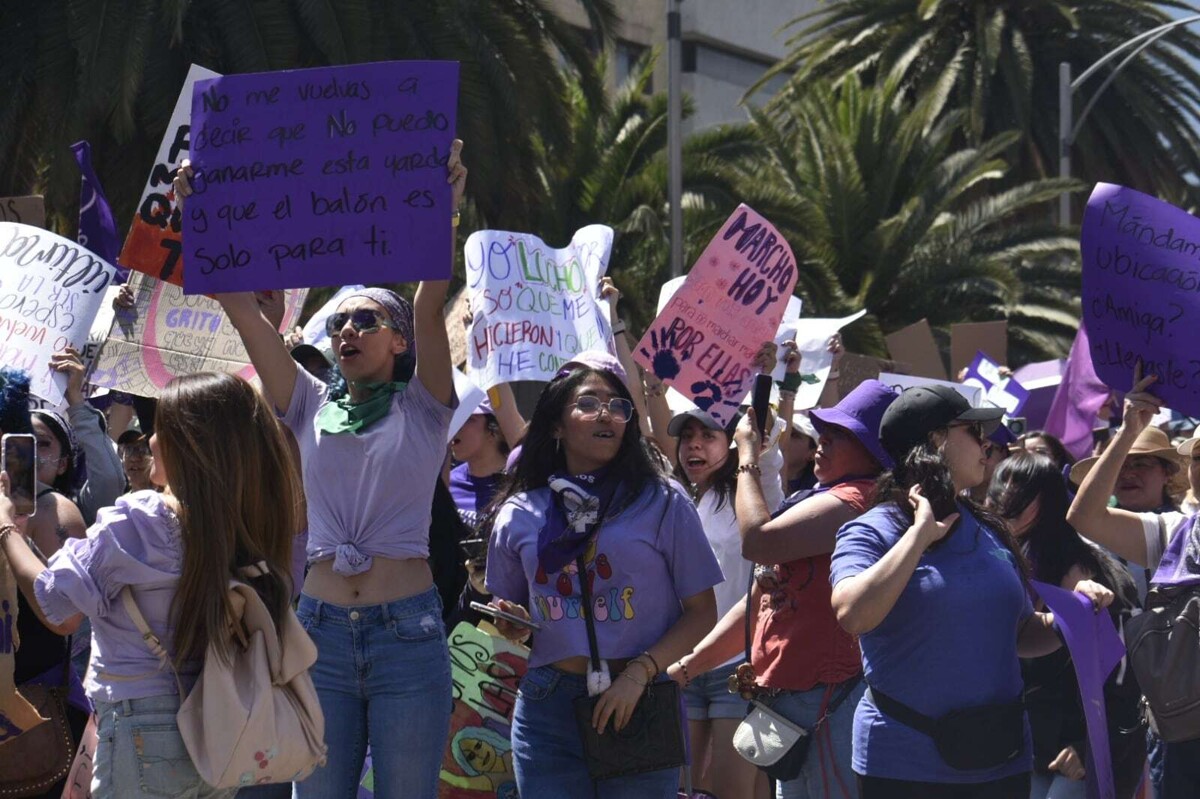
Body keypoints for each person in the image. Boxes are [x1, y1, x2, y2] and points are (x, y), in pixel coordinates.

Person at [174, 140, 467, 799]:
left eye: (366, 320)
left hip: (410, 637)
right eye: (338, 323)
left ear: (398, 339)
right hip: (322, 637)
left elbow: (429, 298)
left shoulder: (425, 408)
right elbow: (238, 306)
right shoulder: (305, 399)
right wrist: (202, 212)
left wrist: (444, 211)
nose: (347, 332)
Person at [1, 372, 301, 799]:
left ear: (190, 442)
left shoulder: (145, 518)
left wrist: (8, 527)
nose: (151, 441)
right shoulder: (248, 522)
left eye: (164, 428)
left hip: (146, 730)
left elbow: (57, 603)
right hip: (217, 724)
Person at [830, 384, 1112, 799]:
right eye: (972, 431)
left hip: (1002, 760)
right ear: (935, 440)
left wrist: (1074, 611)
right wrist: (918, 538)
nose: (986, 443)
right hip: (906, 764)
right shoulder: (872, 530)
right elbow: (853, 615)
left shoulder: (990, 530)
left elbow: (1019, 635)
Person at [484, 353, 722, 799]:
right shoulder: (518, 514)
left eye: (618, 406)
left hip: (641, 699)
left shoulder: (663, 502)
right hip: (547, 709)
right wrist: (511, 622)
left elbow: (702, 612)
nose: (608, 415)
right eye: (589, 403)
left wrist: (639, 673)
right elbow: (512, 618)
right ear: (556, 424)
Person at [672, 379, 899, 799]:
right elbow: (759, 601)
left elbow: (759, 540)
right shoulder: (823, 497)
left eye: (839, 436)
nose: (821, 442)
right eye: (823, 433)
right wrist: (689, 666)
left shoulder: (856, 500)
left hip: (829, 703)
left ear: (873, 452)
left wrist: (746, 457)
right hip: (793, 702)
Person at [1066, 370, 1200, 798]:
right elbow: (1085, 517)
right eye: (1198, 457)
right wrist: (1129, 431)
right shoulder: (1178, 531)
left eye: (1142, 462)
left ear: (1166, 474)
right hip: (1185, 729)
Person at [988, 454, 1144, 799]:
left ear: (1049, 500)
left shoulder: (1090, 574)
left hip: (1090, 746)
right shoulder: (996, 559)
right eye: (999, 485)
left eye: (1022, 490)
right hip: (1024, 744)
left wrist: (1087, 744)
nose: (1003, 497)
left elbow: (1122, 674)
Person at [669, 400, 783, 799]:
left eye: (707, 435)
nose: (694, 446)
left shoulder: (754, 490)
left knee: (733, 792)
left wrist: (768, 376)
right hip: (684, 665)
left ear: (732, 443)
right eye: (686, 437)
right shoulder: (684, 500)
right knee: (683, 791)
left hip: (741, 672)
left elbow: (765, 448)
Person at [1068, 420, 1185, 604]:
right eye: (1119, 466)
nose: (1128, 474)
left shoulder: (1184, 528)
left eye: (1141, 464)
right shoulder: (1088, 536)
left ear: (1167, 473)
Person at [449, 397, 510, 529]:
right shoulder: (446, 485)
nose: (455, 425)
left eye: (467, 418)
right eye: (453, 417)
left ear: (493, 429)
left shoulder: (518, 483)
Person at [118, 429, 156, 493]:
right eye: (128, 449)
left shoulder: (168, 500)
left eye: (142, 449)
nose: (134, 458)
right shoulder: (121, 501)